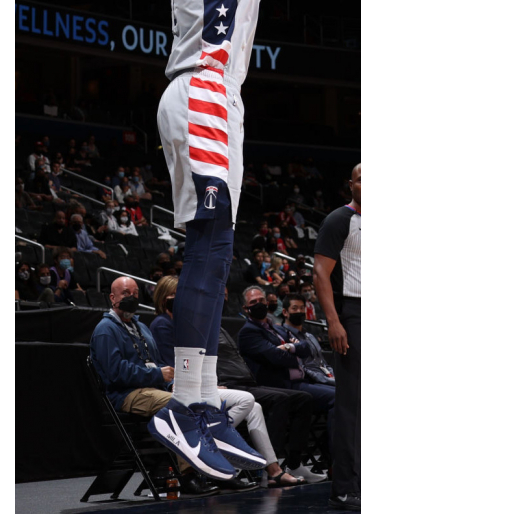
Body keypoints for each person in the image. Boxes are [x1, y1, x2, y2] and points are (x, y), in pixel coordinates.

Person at [149, 0, 319, 478]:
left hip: (223, 100)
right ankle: (185, 407)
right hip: (202, 92)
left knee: (217, 253)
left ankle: (201, 404)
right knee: (210, 247)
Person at [90, 277, 260, 494]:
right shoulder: (105, 330)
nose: (131, 297)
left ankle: (219, 469)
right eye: (125, 294)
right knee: (182, 407)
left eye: (135, 294)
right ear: (112, 298)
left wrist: (171, 382)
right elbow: (116, 373)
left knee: (205, 404)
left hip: (155, 389)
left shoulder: (141, 327)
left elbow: (160, 364)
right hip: (128, 394)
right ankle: (188, 476)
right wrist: (157, 375)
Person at [148, 276, 300, 488]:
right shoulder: (163, 324)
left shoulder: (187, 323)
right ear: (165, 298)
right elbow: (173, 366)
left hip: (203, 386)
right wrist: (206, 385)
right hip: (186, 390)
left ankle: (273, 470)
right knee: (246, 400)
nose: (185, 299)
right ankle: (207, 438)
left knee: (255, 408)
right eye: (177, 295)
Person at [237, 285, 334, 480]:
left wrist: (288, 348)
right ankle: (334, 461)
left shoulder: (275, 328)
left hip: (298, 381)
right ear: (245, 308)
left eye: (261, 300)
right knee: (335, 398)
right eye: (253, 302)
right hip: (278, 385)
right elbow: (276, 357)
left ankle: (304, 462)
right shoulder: (248, 332)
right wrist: (292, 351)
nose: (259, 304)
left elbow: (306, 348)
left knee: (345, 396)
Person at [313, 163, 361, 511]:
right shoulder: (339, 220)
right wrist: (334, 321)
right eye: (362, 179)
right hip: (353, 313)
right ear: (351, 184)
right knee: (351, 404)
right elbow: (320, 273)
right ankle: (344, 487)